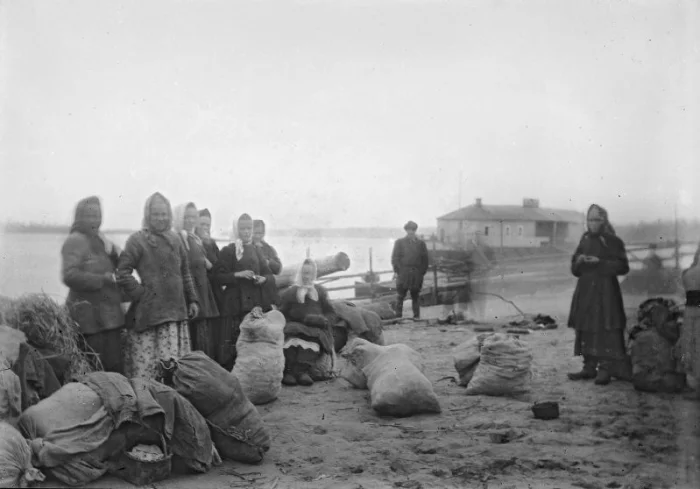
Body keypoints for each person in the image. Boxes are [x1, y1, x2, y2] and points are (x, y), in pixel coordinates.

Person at [116, 192, 199, 379]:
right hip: (151, 314)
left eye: (164, 214)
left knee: (174, 369)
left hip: (176, 313)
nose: (160, 218)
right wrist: (140, 293)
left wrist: (192, 299)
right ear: (148, 215)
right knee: (149, 370)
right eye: (156, 214)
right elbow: (122, 272)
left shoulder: (176, 239)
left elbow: (185, 272)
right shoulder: (137, 240)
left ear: (169, 215)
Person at [567, 204, 630, 385]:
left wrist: (600, 262)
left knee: (605, 327)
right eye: (590, 219)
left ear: (604, 220)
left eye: (596, 219)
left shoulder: (613, 241)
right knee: (586, 326)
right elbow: (575, 270)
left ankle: (605, 368)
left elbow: (623, 266)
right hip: (586, 289)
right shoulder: (585, 238)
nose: (592, 223)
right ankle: (589, 367)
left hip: (606, 291)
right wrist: (579, 261)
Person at [61, 196, 125, 373]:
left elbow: (121, 263)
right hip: (88, 320)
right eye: (89, 216)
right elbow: (69, 275)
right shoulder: (75, 240)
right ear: (79, 218)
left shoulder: (101, 241)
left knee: (114, 368)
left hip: (109, 319)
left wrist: (115, 254)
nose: (95, 221)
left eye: (98, 216)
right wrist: (102, 279)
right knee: (94, 369)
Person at [212, 214, 277, 370]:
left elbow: (268, 274)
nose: (246, 232)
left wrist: (263, 279)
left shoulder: (257, 250)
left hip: (254, 303)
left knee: (253, 341)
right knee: (233, 342)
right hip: (234, 304)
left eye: (249, 228)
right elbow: (216, 277)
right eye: (243, 228)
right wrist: (237, 275)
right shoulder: (229, 250)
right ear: (236, 229)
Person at [173, 202, 220, 359]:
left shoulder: (194, 239)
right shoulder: (178, 238)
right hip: (189, 294)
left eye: (193, 217)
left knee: (202, 338)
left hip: (202, 291)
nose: (190, 221)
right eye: (186, 217)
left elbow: (208, 265)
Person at [278, 258, 336, 386]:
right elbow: (282, 312)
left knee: (313, 339)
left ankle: (301, 372)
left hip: (315, 327)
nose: (306, 276)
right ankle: (289, 372)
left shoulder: (320, 291)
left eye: (309, 273)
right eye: (304, 273)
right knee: (291, 336)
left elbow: (331, 312)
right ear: (300, 273)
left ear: (314, 274)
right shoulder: (291, 292)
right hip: (295, 326)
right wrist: (288, 321)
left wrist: (324, 320)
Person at [391, 221, 429, 320]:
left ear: (415, 230)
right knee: (400, 295)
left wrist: (421, 272)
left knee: (415, 295)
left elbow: (425, 260)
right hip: (403, 272)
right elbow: (395, 258)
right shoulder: (399, 242)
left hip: (416, 273)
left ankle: (416, 316)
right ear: (406, 230)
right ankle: (398, 317)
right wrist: (398, 271)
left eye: (413, 230)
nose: (411, 232)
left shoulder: (421, 244)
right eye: (409, 230)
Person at [681, 244, 700, 400]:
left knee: (693, 346)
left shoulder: (688, 272)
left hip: (691, 310)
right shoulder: (690, 272)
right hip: (694, 309)